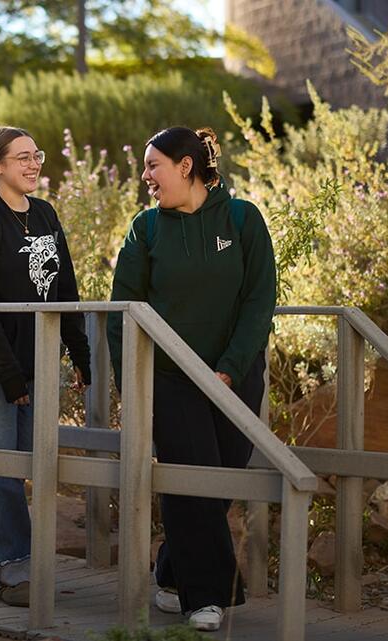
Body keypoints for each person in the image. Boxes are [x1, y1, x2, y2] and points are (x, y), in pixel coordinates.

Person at [106, 126, 276, 631]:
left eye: (153, 165)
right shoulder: (146, 229)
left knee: (220, 474)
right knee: (191, 474)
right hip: (170, 377)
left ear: (185, 166)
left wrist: (231, 366)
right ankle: (209, 597)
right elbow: (123, 312)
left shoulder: (243, 219)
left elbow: (259, 298)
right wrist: (128, 383)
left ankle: (172, 571)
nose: (146, 177)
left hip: (235, 373)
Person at [0, 125, 92, 607]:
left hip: (38, 361)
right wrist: (9, 377)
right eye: (23, 157)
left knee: (24, 457)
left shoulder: (45, 214)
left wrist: (82, 355)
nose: (34, 165)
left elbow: (64, 289)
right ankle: (11, 572)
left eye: (38, 156)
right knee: (0, 462)